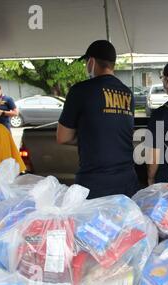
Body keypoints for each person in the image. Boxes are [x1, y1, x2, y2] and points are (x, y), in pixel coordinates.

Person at [57, 40, 139, 199]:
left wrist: (87, 136)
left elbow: (62, 137)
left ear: (92, 62)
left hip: (94, 183)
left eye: (87, 62)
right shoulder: (128, 94)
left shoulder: (80, 91)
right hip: (127, 180)